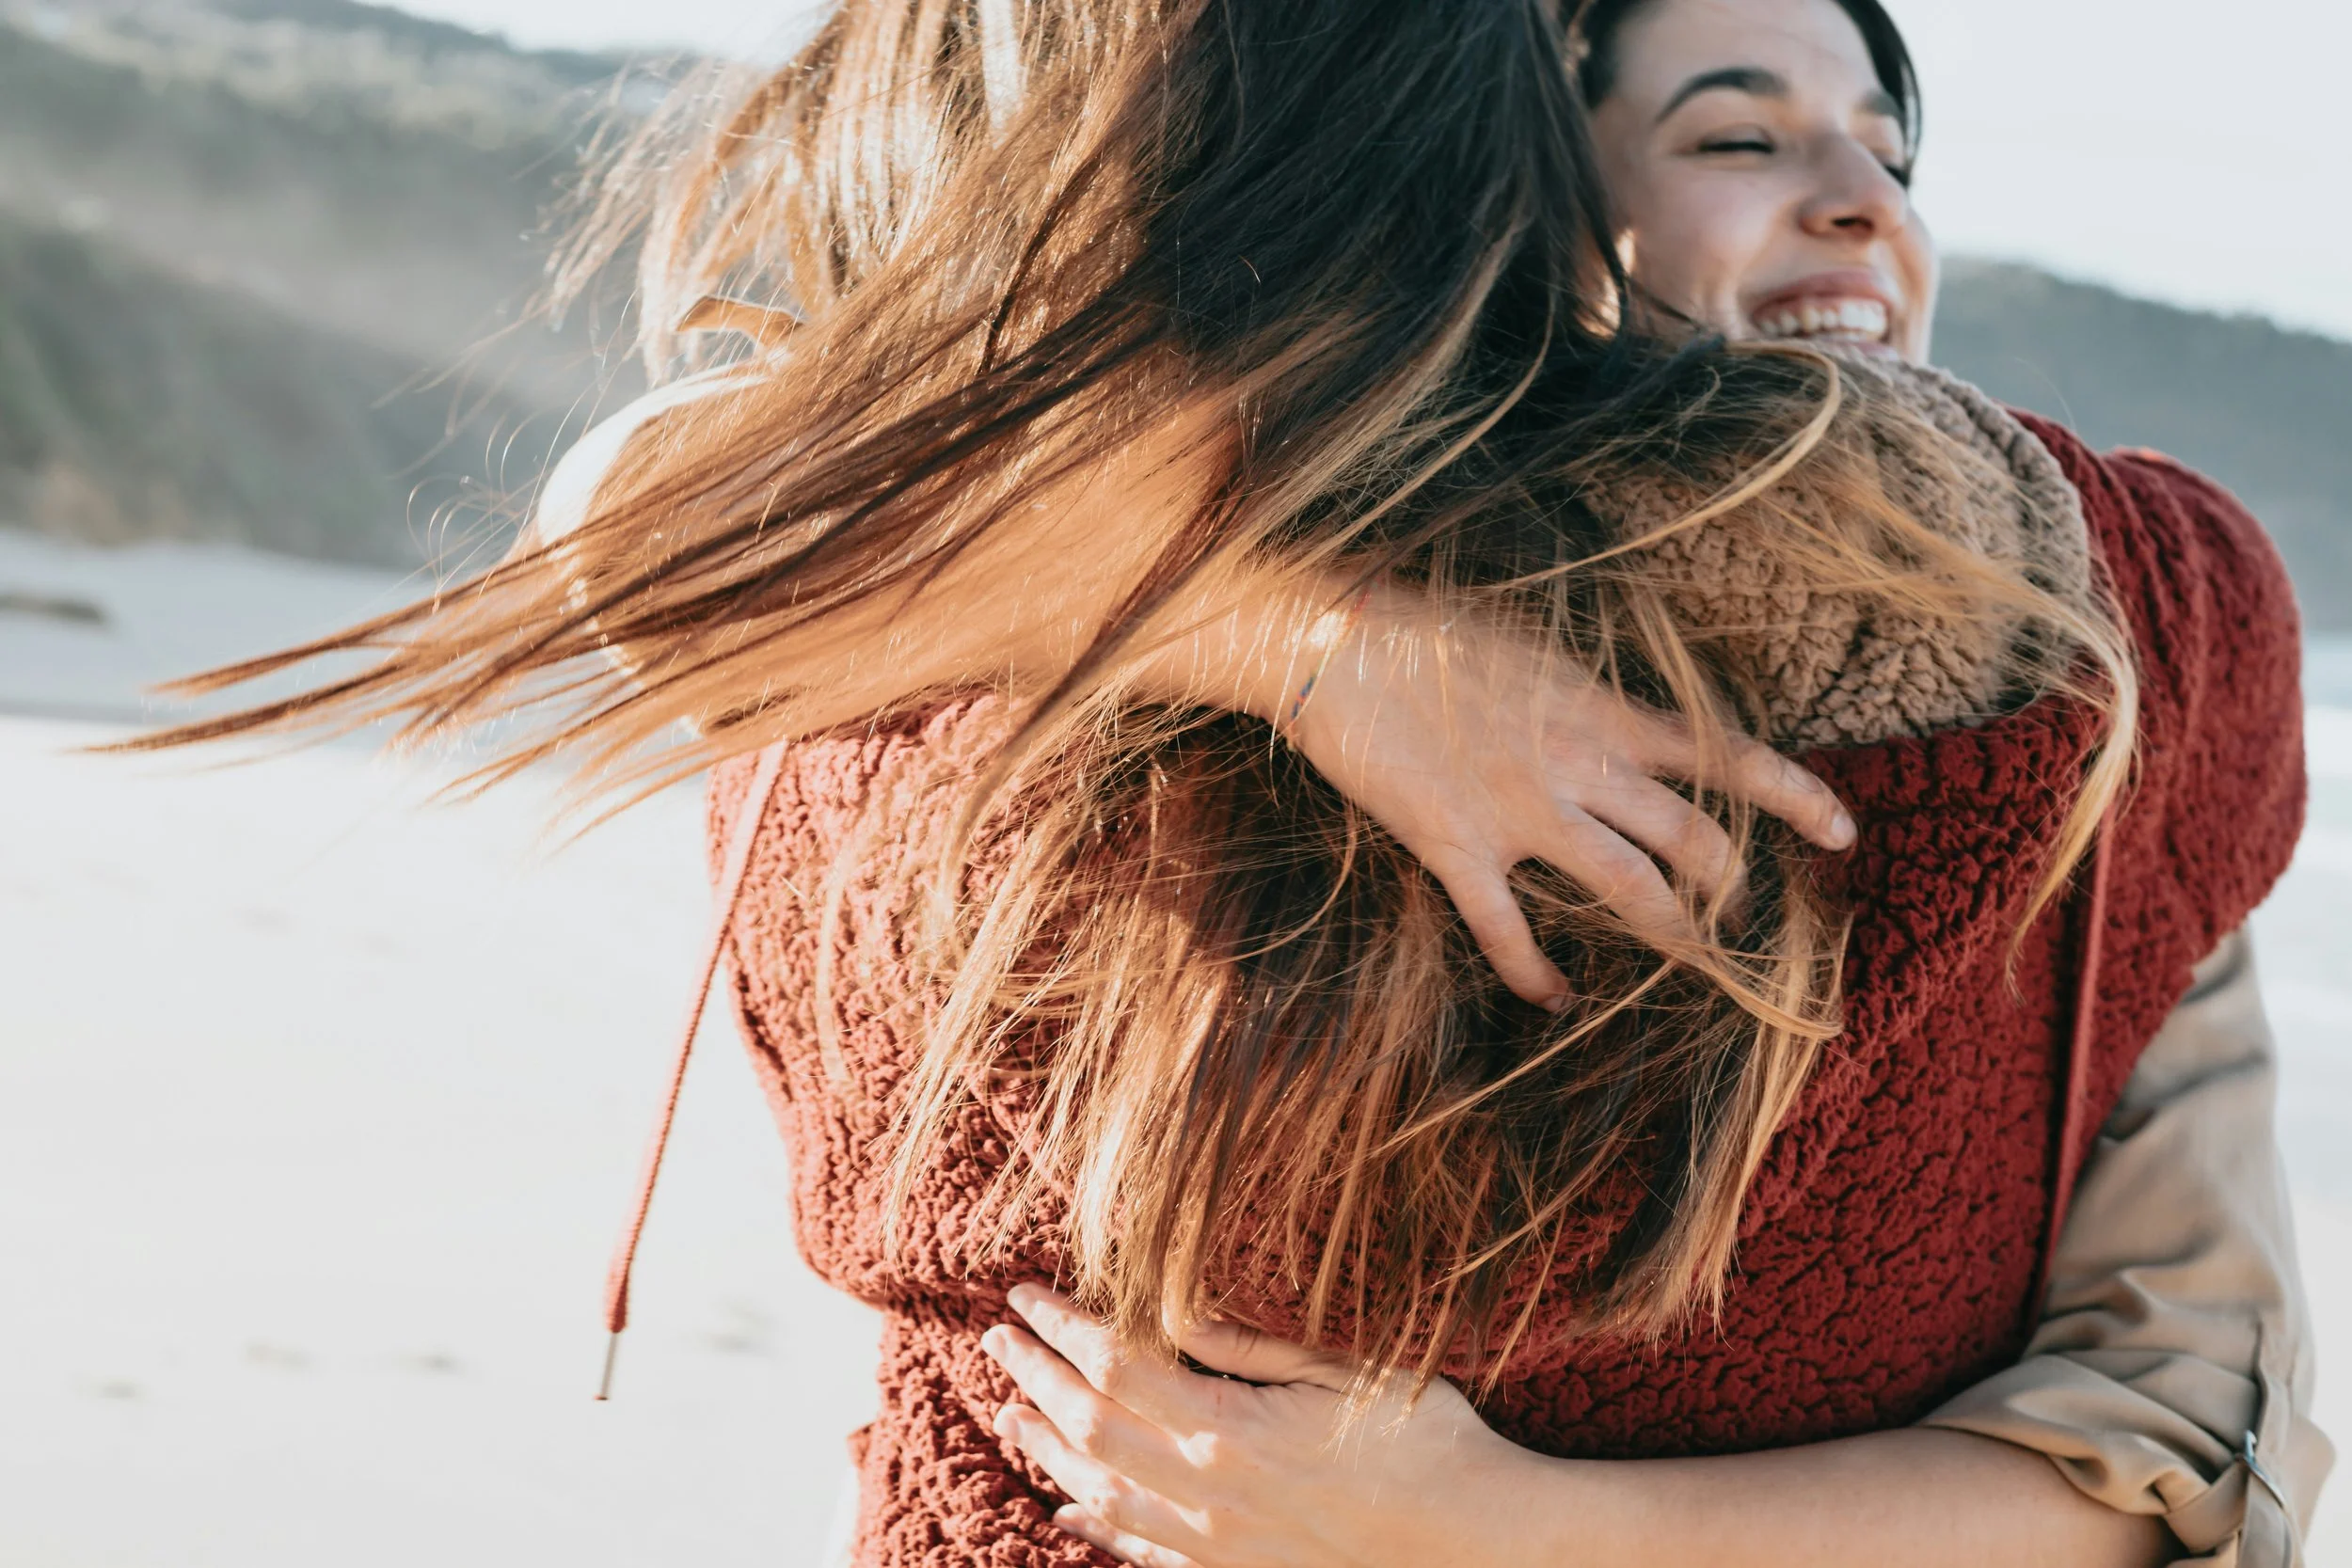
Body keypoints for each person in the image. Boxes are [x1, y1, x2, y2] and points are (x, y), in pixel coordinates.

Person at [138, 0, 2325, 1563]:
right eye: (1740, 133)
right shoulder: (1097, 578)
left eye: (1890, 145)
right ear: (1524, 208)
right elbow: (648, 503)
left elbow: (2174, 1435)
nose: (1861, 202)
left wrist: (1485, 1530)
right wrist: (1300, 629)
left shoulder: (2100, 686)